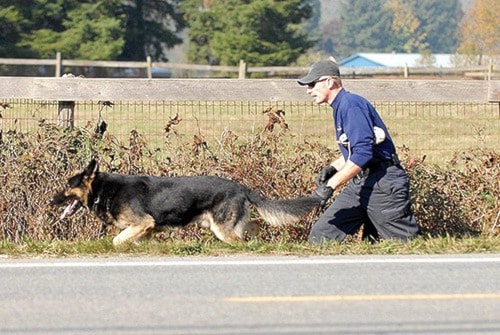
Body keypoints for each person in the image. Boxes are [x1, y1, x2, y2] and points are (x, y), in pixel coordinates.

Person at [298, 58, 421, 243]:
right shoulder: (340, 106)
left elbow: (363, 154)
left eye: (313, 84)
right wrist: (333, 167)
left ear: (330, 82)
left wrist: (331, 186)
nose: (309, 90)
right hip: (361, 183)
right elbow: (357, 147)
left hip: (383, 183)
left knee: (408, 246)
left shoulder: (351, 105)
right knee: (321, 235)